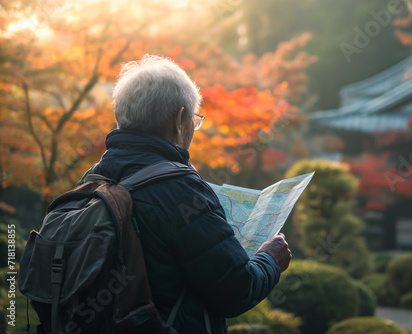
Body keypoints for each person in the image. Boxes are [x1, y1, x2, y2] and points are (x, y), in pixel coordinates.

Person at [78, 55, 292, 333]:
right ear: (180, 120)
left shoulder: (90, 179)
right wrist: (270, 259)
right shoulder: (179, 190)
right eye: (194, 119)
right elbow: (237, 290)